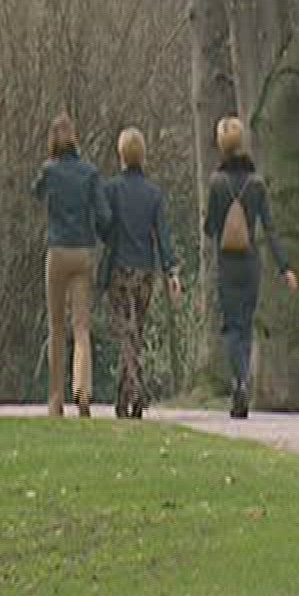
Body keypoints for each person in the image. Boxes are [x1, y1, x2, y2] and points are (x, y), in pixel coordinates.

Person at [203, 116, 299, 418]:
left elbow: (209, 228)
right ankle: (244, 380)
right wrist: (285, 267)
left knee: (231, 326)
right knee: (245, 325)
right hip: (250, 263)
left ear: (221, 146)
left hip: (227, 264)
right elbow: (270, 228)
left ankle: (239, 381)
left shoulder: (217, 183)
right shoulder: (256, 184)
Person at [32, 112, 111, 417]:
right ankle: (83, 390)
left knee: (56, 326)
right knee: (81, 326)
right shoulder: (90, 173)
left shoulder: (49, 172)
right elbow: (103, 215)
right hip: (83, 251)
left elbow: (36, 191)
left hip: (58, 250)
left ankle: (56, 398)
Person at [100, 127, 181, 420]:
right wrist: (171, 271)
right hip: (146, 271)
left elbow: (104, 227)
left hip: (120, 269)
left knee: (126, 333)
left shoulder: (111, 190)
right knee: (135, 333)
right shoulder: (153, 194)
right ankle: (124, 399)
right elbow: (163, 235)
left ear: (121, 154)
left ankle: (135, 389)